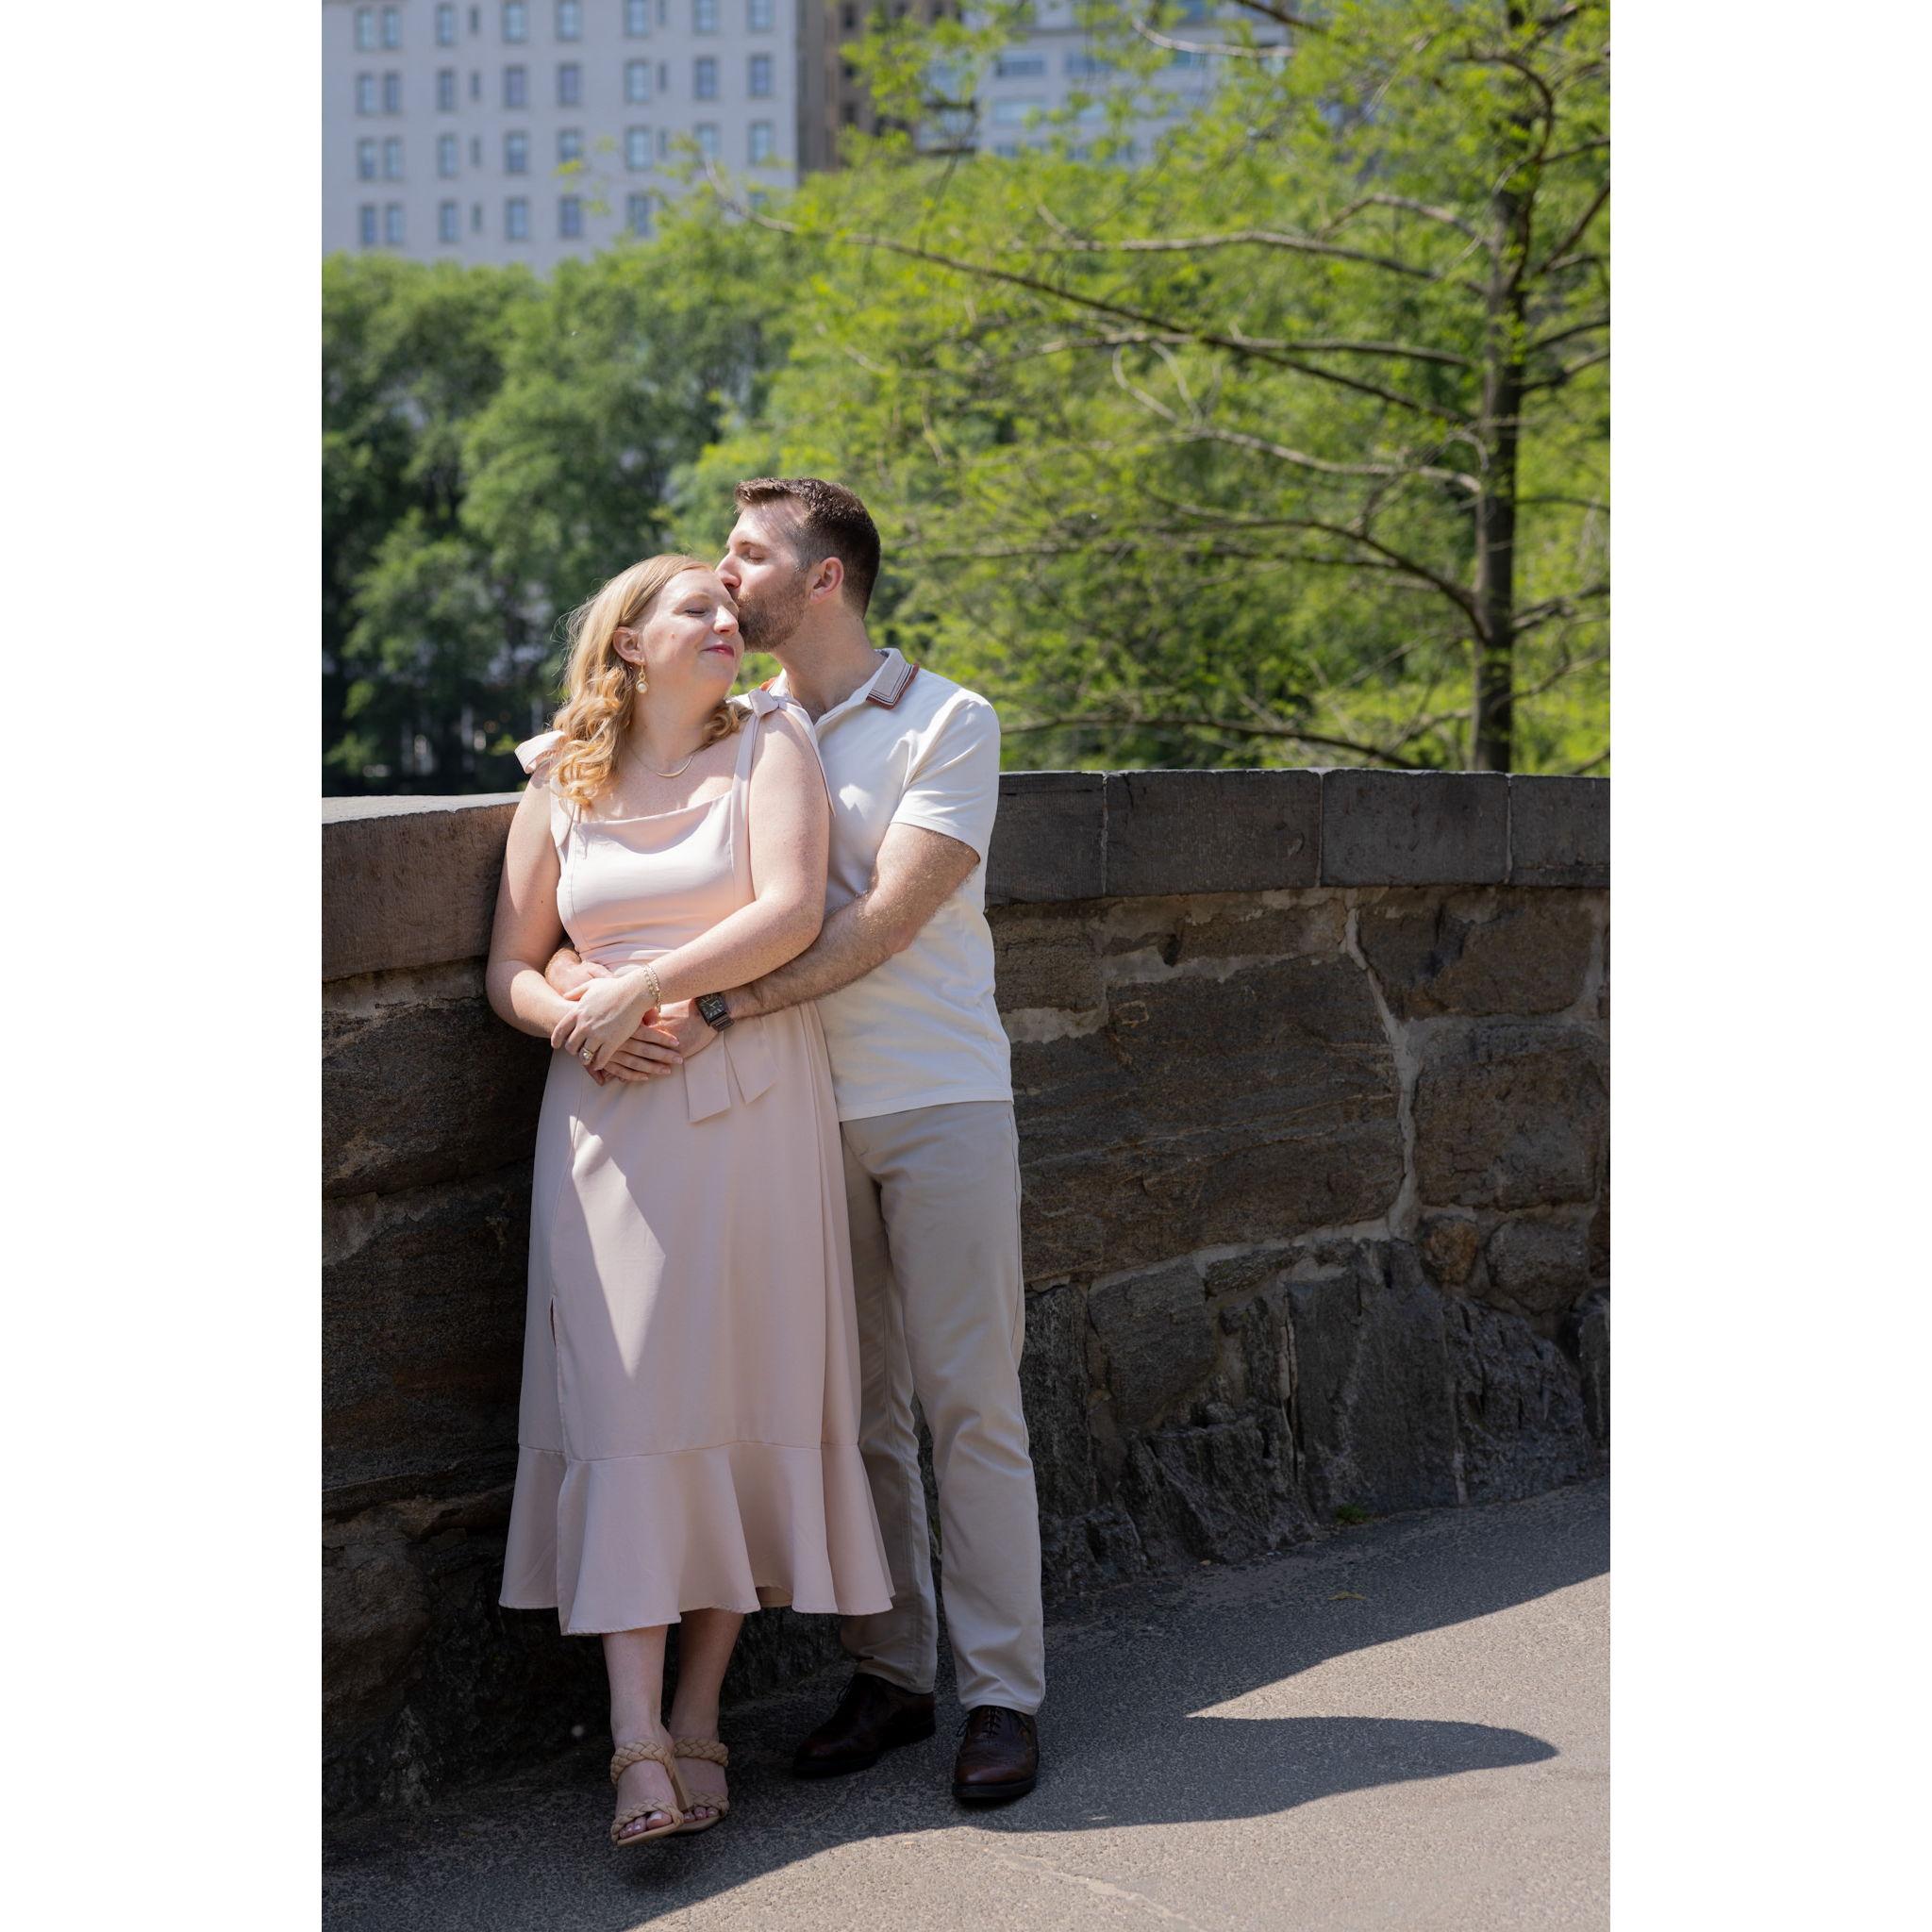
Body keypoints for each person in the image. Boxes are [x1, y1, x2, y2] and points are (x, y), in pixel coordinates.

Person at [546, 479, 1045, 1804]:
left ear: (821, 581)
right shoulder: (749, 728)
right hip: (790, 1120)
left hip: (934, 1096)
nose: (726, 574)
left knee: (970, 1406)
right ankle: (892, 1675)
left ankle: (1003, 1695)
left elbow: (882, 924)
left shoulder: (948, 721)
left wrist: (710, 1004)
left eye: (750, 557)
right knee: (859, 1411)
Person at [485, 552, 892, 1849]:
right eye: (697, 613)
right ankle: (633, 1741)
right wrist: (575, 1018)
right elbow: (510, 964)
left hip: (749, 1103)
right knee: (629, 1405)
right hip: (607, 1119)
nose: (729, 623)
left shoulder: (772, 745)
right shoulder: (562, 777)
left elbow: (785, 912)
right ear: (629, 646)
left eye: (732, 609)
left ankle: (702, 1711)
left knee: (734, 1401)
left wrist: (647, 991)